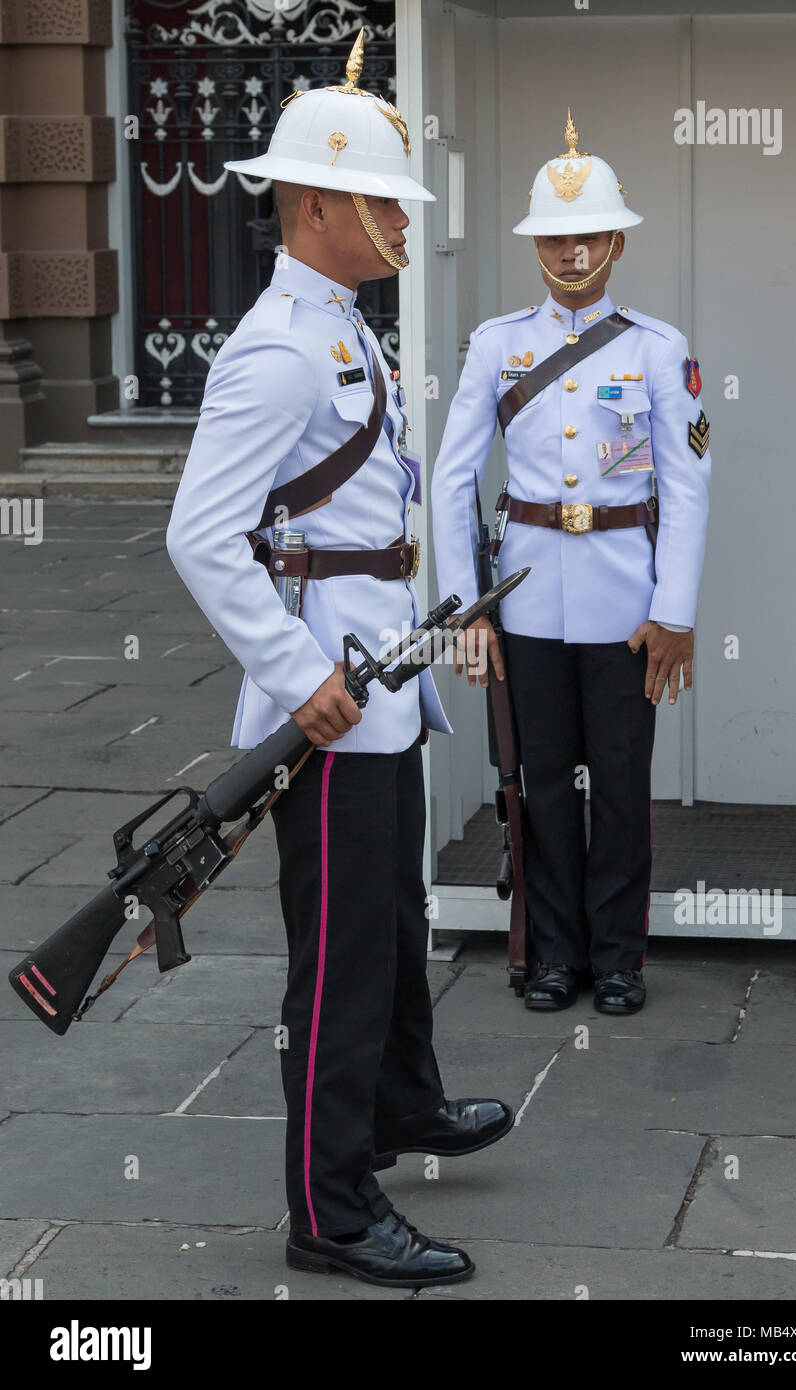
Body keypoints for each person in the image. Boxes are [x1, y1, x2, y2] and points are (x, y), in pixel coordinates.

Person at [166, 30, 513, 1289]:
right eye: (381, 202)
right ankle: (331, 1203)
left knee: (396, 916)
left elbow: (365, 524)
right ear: (317, 206)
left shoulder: (343, 328)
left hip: (377, 676)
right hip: (326, 696)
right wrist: (290, 668)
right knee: (342, 958)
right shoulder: (276, 348)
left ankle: (404, 1101)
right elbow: (201, 534)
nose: (401, 223)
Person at [431, 112, 711, 1016]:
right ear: (535, 244)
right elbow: (450, 479)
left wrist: (676, 612)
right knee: (539, 784)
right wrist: (468, 610)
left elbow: (689, 488)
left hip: (627, 601)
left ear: (618, 240)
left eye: (588, 234)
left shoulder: (657, 349)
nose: (572, 250)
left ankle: (620, 957)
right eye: (555, 236)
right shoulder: (495, 344)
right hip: (524, 600)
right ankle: (554, 953)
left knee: (622, 789)